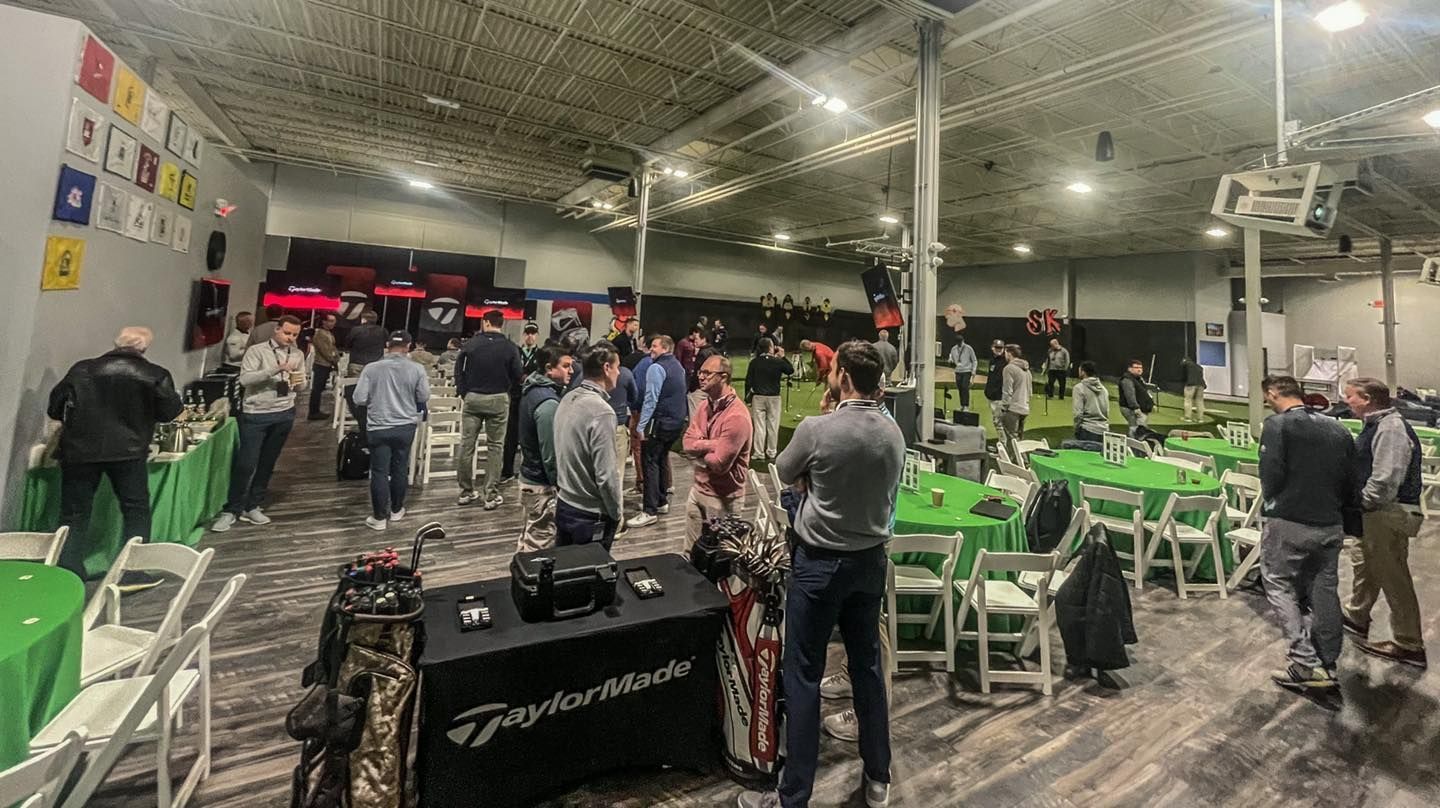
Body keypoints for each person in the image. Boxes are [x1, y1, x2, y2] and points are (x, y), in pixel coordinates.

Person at [738, 341, 902, 808]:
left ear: (844, 377)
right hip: (870, 563)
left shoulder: (816, 429)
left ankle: (793, 796)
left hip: (819, 564)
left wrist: (811, 482)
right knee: (867, 669)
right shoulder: (893, 433)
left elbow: (784, 469)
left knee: (803, 675)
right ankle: (877, 777)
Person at [49, 327, 183, 585]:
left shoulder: (81, 369)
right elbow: (170, 411)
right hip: (129, 452)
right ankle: (133, 570)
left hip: (79, 450)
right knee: (135, 511)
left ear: (116, 344)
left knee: (74, 514)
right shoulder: (154, 374)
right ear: (143, 348)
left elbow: (55, 407)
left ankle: (69, 571)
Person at [1257, 375, 1358, 691]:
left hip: (1290, 520)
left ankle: (1304, 663)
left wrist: (1273, 502)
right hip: (1330, 523)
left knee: (1278, 584)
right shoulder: (1339, 429)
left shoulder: (1277, 425)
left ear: (1273, 394)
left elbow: (1270, 474)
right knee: (1324, 591)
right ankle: (1327, 664)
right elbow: (1351, 480)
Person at [1342, 378, 1427, 668]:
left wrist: (1364, 502)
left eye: (1350, 396)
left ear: (1366, 399)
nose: (1347, 401)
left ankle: (1408, 642)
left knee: (1392, 575)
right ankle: (1357, 615)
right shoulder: (1378, 424)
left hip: (1387, 511)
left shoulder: (1390, 428)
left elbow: (1387, 477)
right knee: (1365, 563)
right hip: (1378, 511)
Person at [213, 316, 306, 532]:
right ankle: (231, 509)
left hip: (284, 412)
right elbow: (245, 380)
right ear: (277, 330)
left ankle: (253, 504)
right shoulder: (256, 351)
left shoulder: (298, 354)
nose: (290, 338)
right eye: (287, 333)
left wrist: (298, 382)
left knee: (268, 462)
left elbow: (301, 385)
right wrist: (273, 370)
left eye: (294, 335)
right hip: (256, 413)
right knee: (246, 463)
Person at [352, 331, 430, 531]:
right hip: (405, 426)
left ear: (387, 345)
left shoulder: (371, 368)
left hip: (379, 426)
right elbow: (423, 395)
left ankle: (379, 518)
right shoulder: (417, 369)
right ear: (408, 346)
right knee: (399, 468)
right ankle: (396, 510)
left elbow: (359, 398)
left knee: (379, 471)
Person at [554, 343, 624, 548]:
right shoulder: (602, 412)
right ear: (606, 368)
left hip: (564, 503)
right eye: (617, 366)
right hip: (590, 514)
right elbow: (606, 475)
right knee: (588, 577)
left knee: (564, 572)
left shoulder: (568, 398)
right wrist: (616, 512)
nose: (619, 372)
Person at [455, 310, 522, 508]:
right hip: (498, 398)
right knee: (495, 447)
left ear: (485, 322)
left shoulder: (471, 344)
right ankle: (490, 495)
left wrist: (464, 392)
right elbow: (518, 374)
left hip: (473, 397)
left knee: (467, 445)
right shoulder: (510, 347)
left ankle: (466, 492)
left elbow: (459, 370)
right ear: (502, 324)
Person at [682, 355, 752, 542]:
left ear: (723, 377)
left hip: (723, 499)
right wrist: (713, 444)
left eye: (707, 373)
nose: (701, 377)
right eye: (700, 372)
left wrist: (698, 451)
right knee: (689, 557)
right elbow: (687, 444)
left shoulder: (737, 416)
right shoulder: (704, 405)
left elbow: (719, 463)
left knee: (717, 564)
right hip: (697, 492)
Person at [516, 345, 574, 551]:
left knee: (529, 538)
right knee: (539, 545)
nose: (571, 371)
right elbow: (551, 454)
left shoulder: (532, 391)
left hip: (530, 477)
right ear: (549, 369)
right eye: (566, 366)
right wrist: (560, 485)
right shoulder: (548, 403)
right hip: (541, 485)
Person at [629, 335, 688, 528]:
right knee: (662, 458)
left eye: (654, 346)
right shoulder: (677, 366)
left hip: (659, 423)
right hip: (676, 423)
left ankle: (649, 509)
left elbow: (650, 399)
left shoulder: (656, 368)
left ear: (665, 348)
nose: (650, 349)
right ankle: (661, 501)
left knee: (650, 463)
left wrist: (640, 426)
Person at [503, 323, 543, 484]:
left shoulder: (540, 354)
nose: (530, 336)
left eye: (533, 333)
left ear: (537, 335)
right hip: (515, 396)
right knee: (511, 436)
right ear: (523, 335)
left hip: (532, 398)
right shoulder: (516, 352)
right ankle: (507, 471)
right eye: (527, 333)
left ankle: (530, 470)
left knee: (531, 436)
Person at [746, 338, 794, 464]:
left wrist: (747, 398)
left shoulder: (754, 362)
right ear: (770, 348)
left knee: (759, 426)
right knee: (773, 426)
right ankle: (771, 451)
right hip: (774, 397)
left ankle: (758, 452)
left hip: (758, 396)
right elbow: (790, 370)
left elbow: (748, 381)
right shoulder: (777, 362)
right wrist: (783, 357)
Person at [307, 314, 339, 421]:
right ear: (324, 322)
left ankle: (315, 411)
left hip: (326, 364)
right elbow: (326, 351)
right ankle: (313, 412)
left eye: (334, 321)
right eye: (331, 321)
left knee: (319, 388)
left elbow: (333, 348)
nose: (333, 323)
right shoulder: (320, 334)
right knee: (317, 389)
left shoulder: (329, 333)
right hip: (321, 364)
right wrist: (334, 359)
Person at [999, 343, 1032, 443]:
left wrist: (1004, 407)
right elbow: (1030, 392)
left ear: (1009, 353)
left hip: (1013, 409)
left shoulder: (1008, 369)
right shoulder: (1027, 370)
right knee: (1019, 440)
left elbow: (1007, 390)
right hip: (1025, 408)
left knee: (1012, 440)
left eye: (1005, 352)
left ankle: (1017, 459)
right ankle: (1022, 459)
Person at [1072, 360, 1110, 442]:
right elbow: (1107, 411)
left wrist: (1076, 428)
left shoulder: (1079, 388)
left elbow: (1078, 413)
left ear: (1083, 372)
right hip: (1104, 431)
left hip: (1087, 430)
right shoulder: (1104, 389)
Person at [1117, 359, 1153, 437]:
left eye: (1141, 367)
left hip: (1138, 408)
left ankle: (1136, 442)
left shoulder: (1138, 379)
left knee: (1139, 427)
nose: (1139, 369)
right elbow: (1130, 395)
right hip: (1131, 409)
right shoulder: (1127, 380)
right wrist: (1135, 408)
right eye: (1136, 367)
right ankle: (1134, 444)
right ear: (1130, 369)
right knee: (1135, 428)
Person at [948, 335, 977, 412]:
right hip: (958, 371)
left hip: (967, 370)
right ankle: (962, 405)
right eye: (958, 342)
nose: (960, 344)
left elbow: (974, 360)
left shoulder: (969, 348)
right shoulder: (953, 349)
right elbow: (951, 359)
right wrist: (950, 361)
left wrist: (973, 371)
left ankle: (966, 406)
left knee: (965, 387)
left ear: (963, 340)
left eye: (960, 342)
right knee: (960, 388)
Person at [983, 339, 1008, 428]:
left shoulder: (1005, 361)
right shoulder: (992, 360)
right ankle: (1003, 440)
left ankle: (1003, 441)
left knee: (999, 421)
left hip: (999, 396)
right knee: (996, 419)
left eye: (1001, 348)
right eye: (997, 348)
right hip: (991, 395)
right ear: (992, 348)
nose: (999, 350)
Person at [1181, 356, 1206, 422]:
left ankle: (1187, 418)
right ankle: (1200, 419)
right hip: (1201, 384)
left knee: (1188, 400)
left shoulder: (1186, 365)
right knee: (1200, 401)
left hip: (1191, 384)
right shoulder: (1199, 367)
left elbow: (1183, 375)